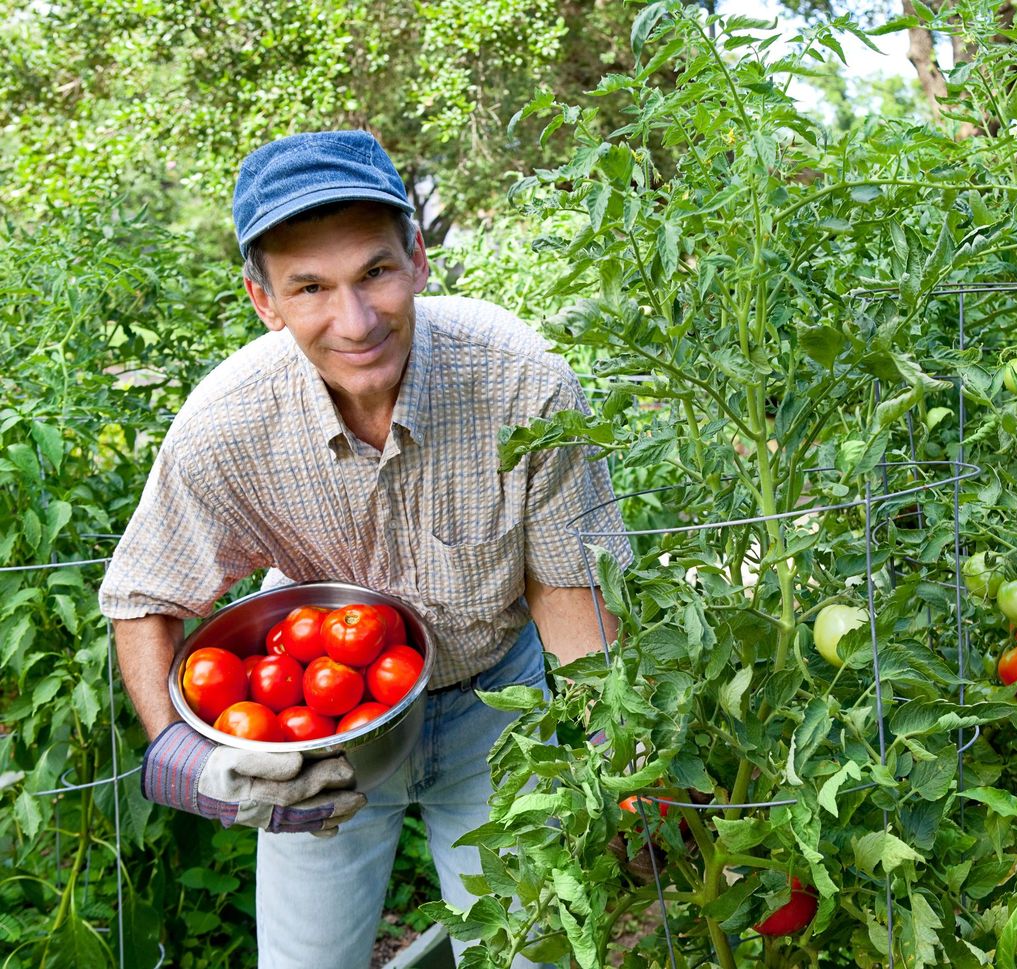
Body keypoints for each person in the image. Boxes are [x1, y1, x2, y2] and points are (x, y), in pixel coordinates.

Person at [98, 129, 631, 969]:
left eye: (375, 271)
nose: (355, 321)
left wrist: (617, 757)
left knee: (528, 950)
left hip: (498, 707)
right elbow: (145, 598)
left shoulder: (520, 384)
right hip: (317, 738)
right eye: (310, 286)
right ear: (263, 300)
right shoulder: (226, 427)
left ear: (418, 257)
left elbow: (568, 593)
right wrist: (185, 757)